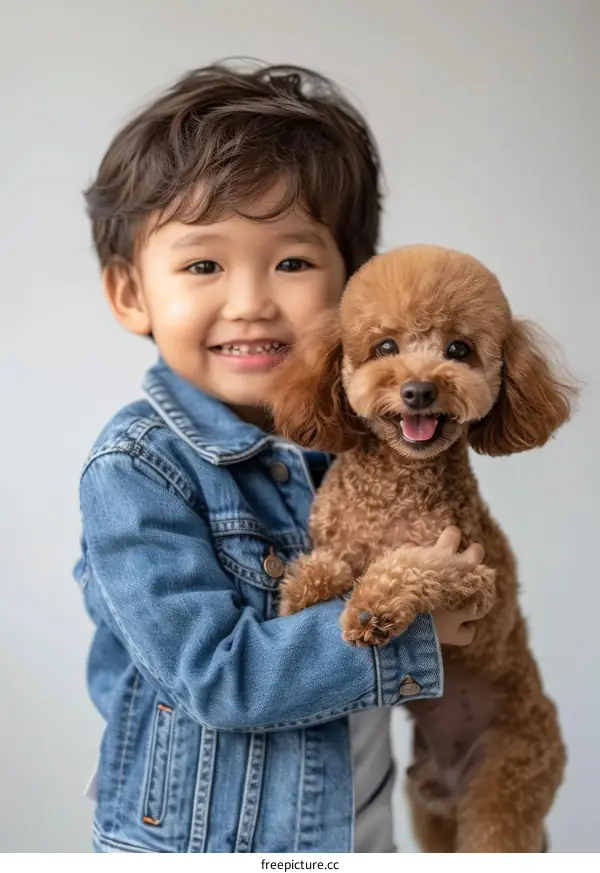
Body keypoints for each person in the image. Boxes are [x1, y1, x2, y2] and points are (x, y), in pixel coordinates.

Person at [74, 60, 488, 854]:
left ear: (355, 285)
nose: (252, 299)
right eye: (203, 264)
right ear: (132, 293)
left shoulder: (375, 448)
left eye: (292, 262)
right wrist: (414, 636)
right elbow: (216, 677)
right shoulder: (137, 469)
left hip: (353, 836)